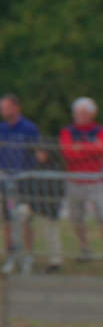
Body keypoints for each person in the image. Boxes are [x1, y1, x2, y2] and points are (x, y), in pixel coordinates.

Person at [60, 97, 103, 259]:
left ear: (92, 114)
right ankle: (84, 248)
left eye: (83, 113)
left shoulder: (101, 131)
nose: (79, 116)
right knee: (77, 217)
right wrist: (91, 148)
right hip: (75, 180)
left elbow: (102, 150)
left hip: (96, 179)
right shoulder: (67, 131)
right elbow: (68, 153)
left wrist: (79, 148)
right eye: (77, 113)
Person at [0, 94, 38, 263]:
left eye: (6, 107)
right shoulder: (2, 129)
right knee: (8, 218)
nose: (3, 111)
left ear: (16, 107)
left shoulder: (29, 128)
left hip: (24, 180)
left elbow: (37, 152)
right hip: (5, 179)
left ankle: (28, 254)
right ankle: (11, 253)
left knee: (24, 219)